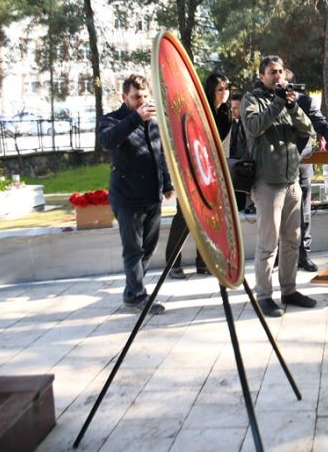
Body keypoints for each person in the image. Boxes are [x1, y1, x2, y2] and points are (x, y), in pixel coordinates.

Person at [243, 56, 316, 317]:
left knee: (293, 240)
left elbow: (308, 128)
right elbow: (254, 126)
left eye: (281, 72)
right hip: (267, 183)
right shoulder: (253, 100)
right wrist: (277, 103)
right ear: (262, 76)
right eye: (272, 72)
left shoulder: (288, 101)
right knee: (268, 243)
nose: (278, 76)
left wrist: (293, 107)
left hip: (291, 180)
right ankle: (263, 294)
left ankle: (289, 289)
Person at [99, 75, 175, 314]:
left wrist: (167, 184)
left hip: (151, 195)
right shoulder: (112, 120)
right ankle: (137, 296)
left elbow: (159, 153)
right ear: (124, 97)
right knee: (133, 249)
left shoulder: (152, 121)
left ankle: (132, 291)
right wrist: (135, 118)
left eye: (144, 96)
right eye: (135, 97)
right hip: (127, 197)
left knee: (148, 248)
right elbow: (107, 141)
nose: (141, 101)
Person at [166, 72, 232, 279]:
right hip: (191, 167)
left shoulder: (225, 112)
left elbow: (219, 138)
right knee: (184, 216)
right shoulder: (199, 110)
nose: (224, 94)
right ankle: (173, 263)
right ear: (211, 91)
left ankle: (204, 262)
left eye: (226, 89)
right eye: (220, 90)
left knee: (208, 215)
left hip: (210, 170)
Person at [284, 69, 328, 272]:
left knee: (304, 211)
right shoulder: (268, 102)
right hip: (278, 164)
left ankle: (304, 254)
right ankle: (279, 255)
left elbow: (322, 124)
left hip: (301, 162)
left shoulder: (306, 102)